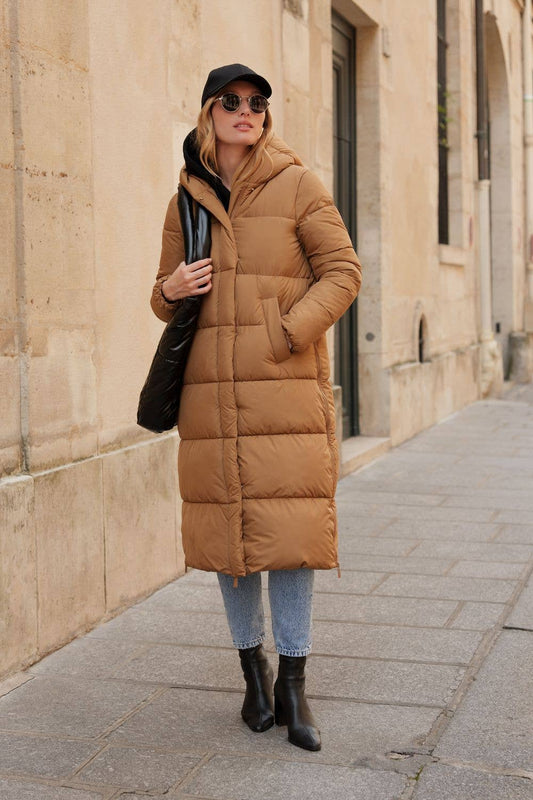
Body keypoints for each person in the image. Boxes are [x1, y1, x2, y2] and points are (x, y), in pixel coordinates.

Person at [150, 63, 362, 752]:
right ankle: (253, 674)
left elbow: (343, 273)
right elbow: (162, 299)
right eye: (232, 101)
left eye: (258, 103)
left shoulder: (299, 184)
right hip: (210, 393)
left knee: (289, 537)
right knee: (231, 539)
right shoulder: (185, 198)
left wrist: (286, 332)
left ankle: (293, 682)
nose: (247, 111)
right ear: (209, 112)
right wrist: (171, 288)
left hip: (282, 387)